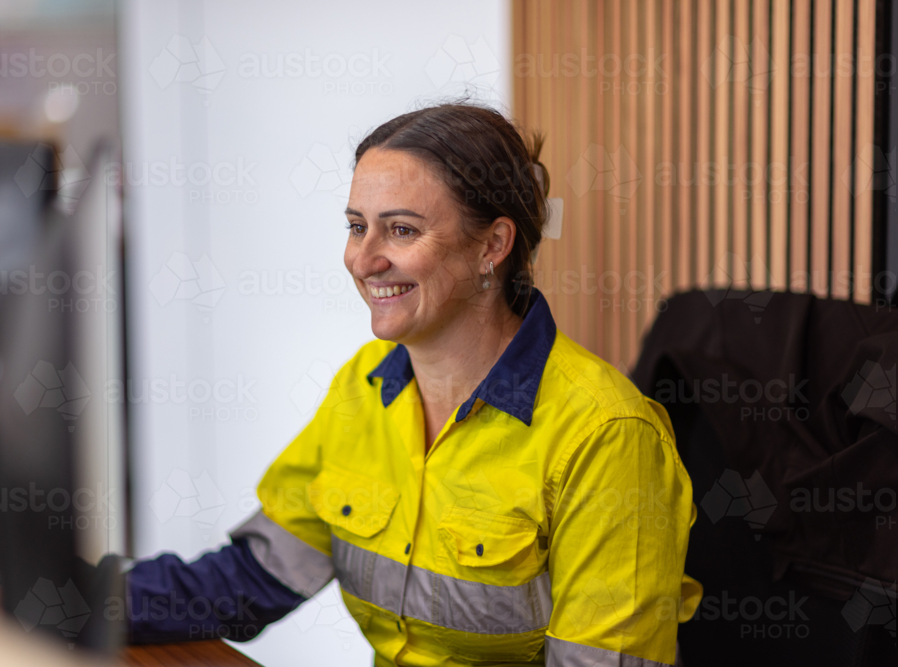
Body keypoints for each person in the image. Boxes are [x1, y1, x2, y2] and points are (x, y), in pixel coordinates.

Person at [126, 102, 704, 666]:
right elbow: (253, 578)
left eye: (401, 230)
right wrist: (75, 599)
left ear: (492, 247)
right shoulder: (364, 387)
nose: (363, 259)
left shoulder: (607, 436)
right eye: (357, 227)